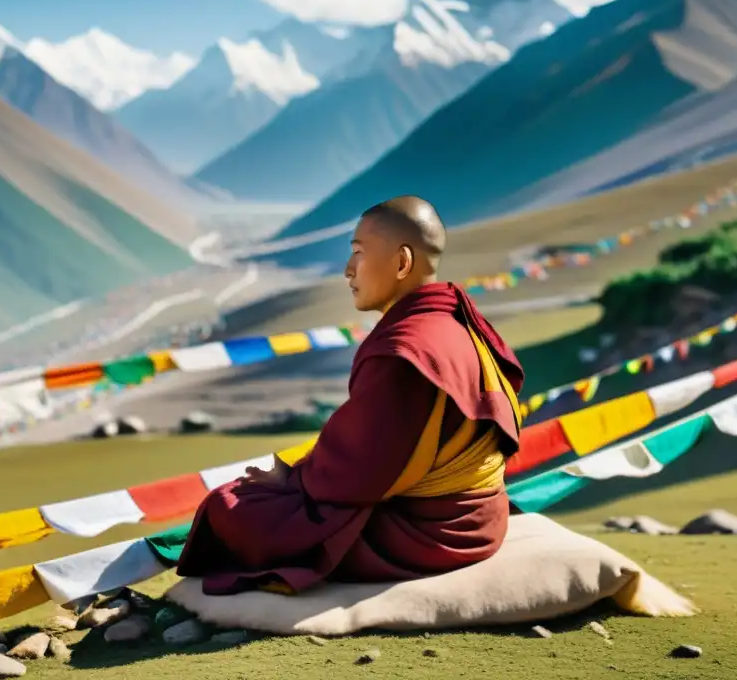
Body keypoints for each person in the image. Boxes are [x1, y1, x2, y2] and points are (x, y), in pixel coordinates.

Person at [175, 196, 525, 595]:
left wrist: (287, 479)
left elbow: (356, 477)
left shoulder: (406, 350)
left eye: (358, 253)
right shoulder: (456, 321)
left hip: (432, 536)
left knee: (230, 508)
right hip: (484, 518)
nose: (347, 270)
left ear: (402, 263)